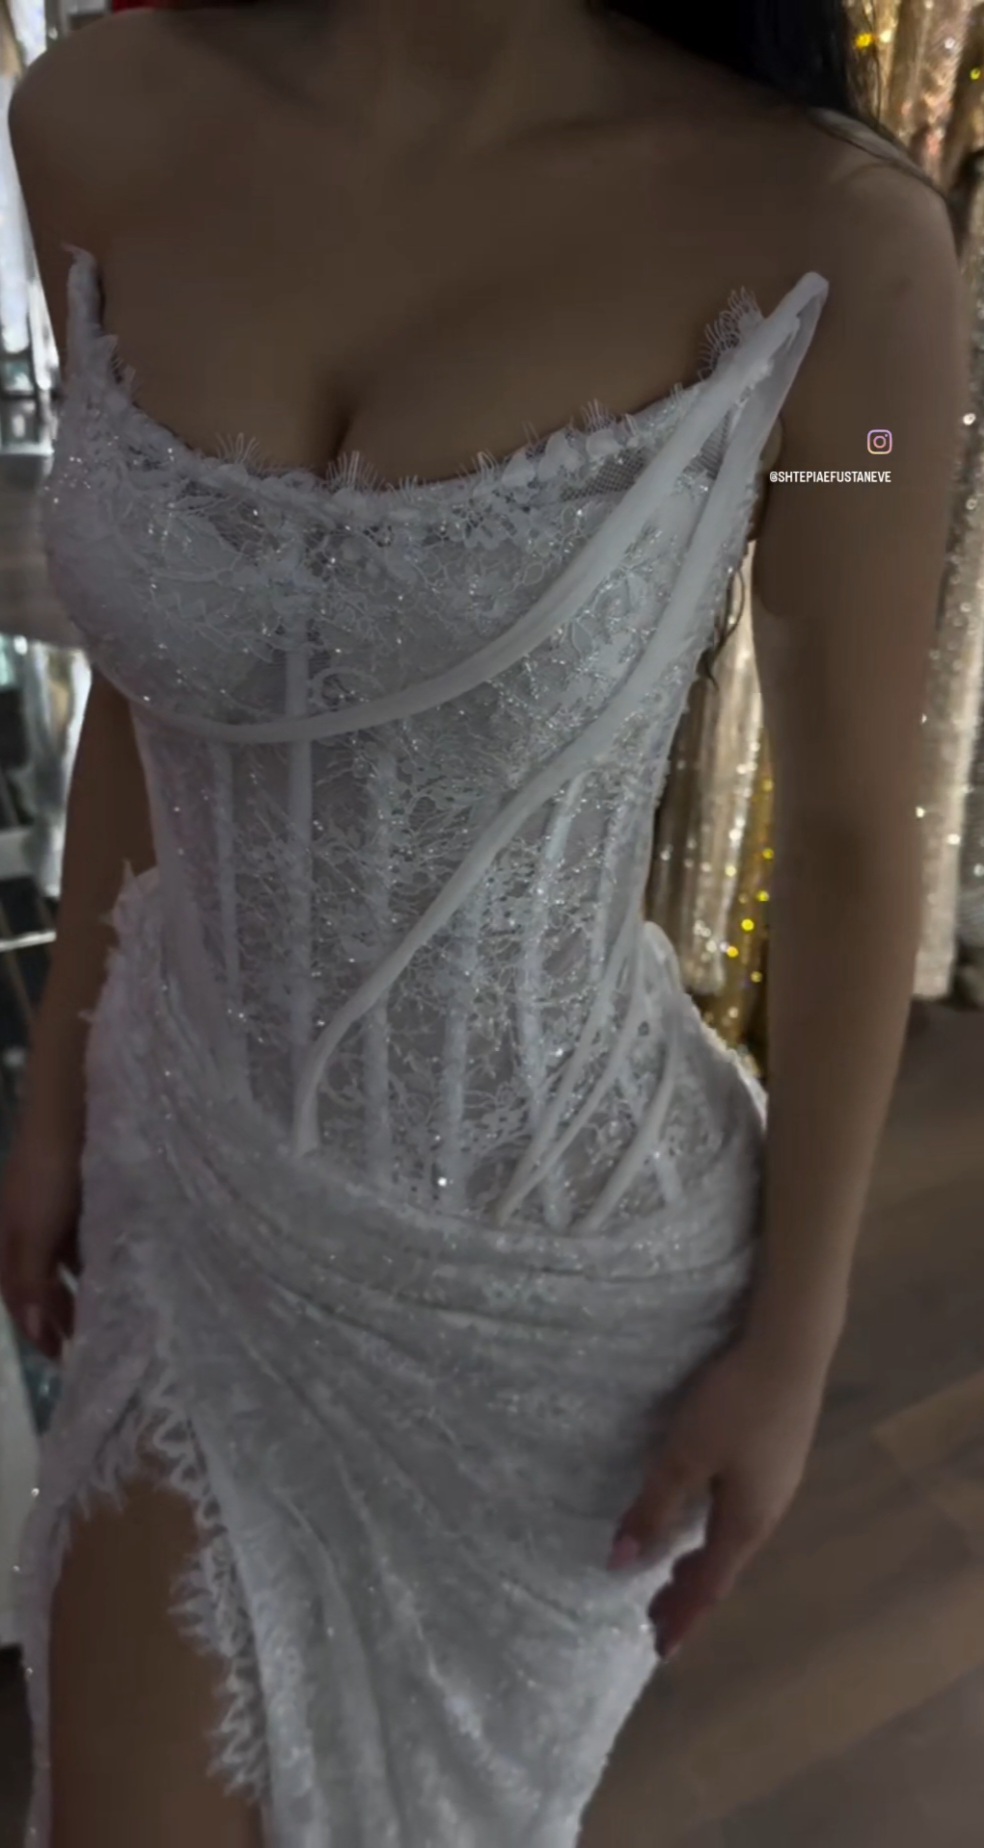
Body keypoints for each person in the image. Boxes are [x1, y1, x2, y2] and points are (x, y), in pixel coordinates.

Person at [0, 3, 966, 1844]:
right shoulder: (94, 116)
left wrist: (798, 1336)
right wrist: (58, 1087)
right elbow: (160, 684)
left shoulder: (834, 243)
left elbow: (853, 828)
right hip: (183, 1180)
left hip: (553, 1305)